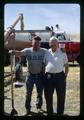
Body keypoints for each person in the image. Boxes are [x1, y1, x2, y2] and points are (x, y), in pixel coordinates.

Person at [9, 36, 47, 115]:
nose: (36, 44)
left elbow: (52, 52)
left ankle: (38, 107)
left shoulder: (44, 51)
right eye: (35, 43)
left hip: (40, 75)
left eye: (38, 43)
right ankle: (27, 109)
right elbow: (19, 53)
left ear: (40, 44)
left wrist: (62, 51)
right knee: (28, 93)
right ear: (32, 43)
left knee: (39, 93)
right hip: (30, 75)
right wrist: (12, 51)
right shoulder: (27, 50)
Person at [43, 36, 69, 116]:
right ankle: (49, 112)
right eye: (51, 42)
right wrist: (44, 75)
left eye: (54, 42)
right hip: (48, 77)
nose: (53, 43)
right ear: (49, 43)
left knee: (61, 96)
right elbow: (44, 64)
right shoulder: (47, 52)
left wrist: (65, 75)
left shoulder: (62, 52)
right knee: (48, 96)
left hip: (60, 76)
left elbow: (66, 65)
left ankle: (60, 113)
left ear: (58, 43)